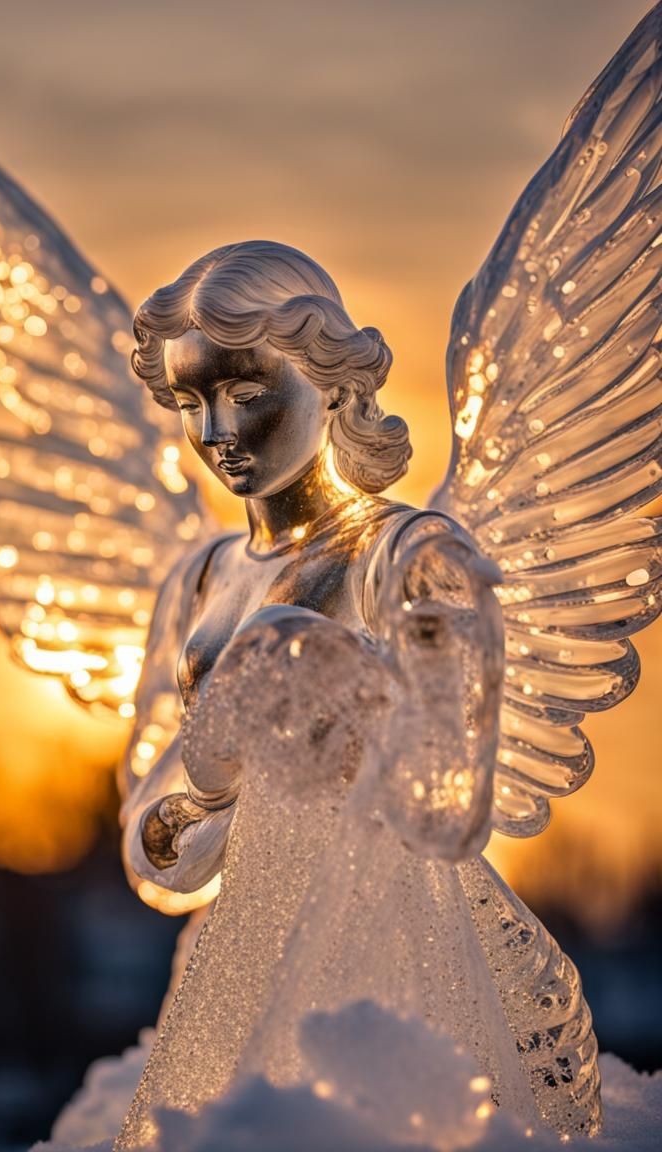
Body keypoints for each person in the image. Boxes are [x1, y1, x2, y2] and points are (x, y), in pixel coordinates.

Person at [113, 242, 600, 1148]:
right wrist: (213, 796)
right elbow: (153, 849)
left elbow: (447, 815)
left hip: (395, 962)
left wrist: (335, 683)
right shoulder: (200, 579)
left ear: (330, 385)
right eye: (190, 400)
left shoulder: (407, 555)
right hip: (239, 961)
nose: (217, 429)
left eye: (249, 393)